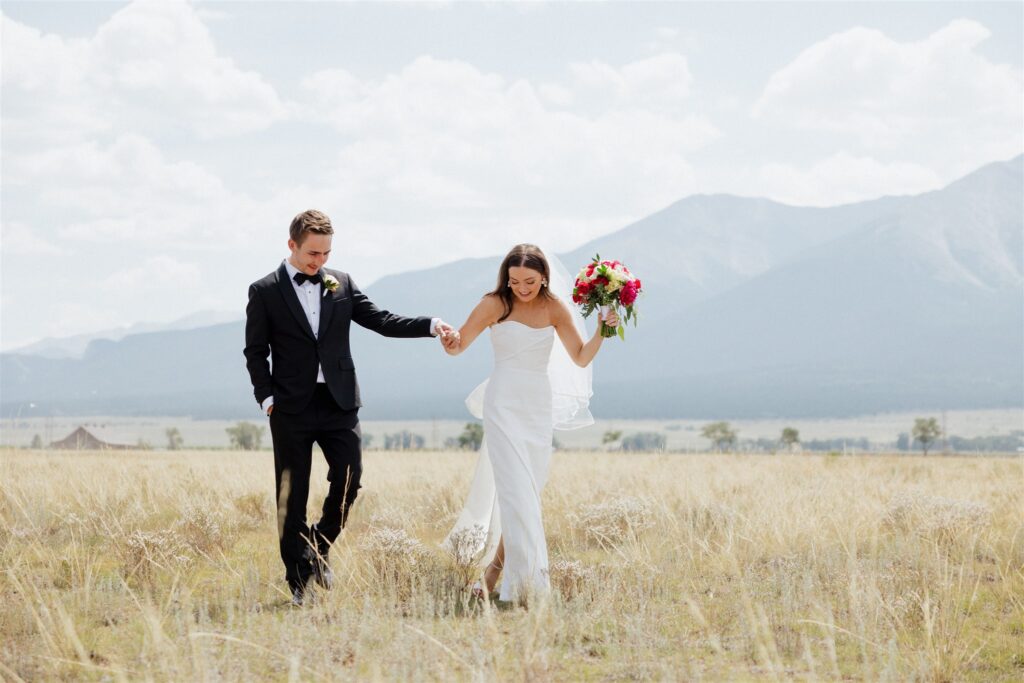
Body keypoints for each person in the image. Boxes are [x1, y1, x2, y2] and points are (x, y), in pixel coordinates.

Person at [244, 209, 455, 605]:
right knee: (291, 495)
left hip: (339, 402)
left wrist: (432, 325)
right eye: (311, 253)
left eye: (325, 253)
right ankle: (299, 583)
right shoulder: (265, 290)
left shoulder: (340, 283)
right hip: (290, 408)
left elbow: (381, 320)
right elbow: (255, 351)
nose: (319, 261)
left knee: (349, 478)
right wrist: (267, 398)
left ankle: (319, 544)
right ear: (291, 245)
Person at [439, 243, 618, 603]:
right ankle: (522, 587)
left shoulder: (555, 307)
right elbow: (458, 346)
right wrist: (448, 340)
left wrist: (603, 330)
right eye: (515, 280)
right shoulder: (493, 303)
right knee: (515, 495)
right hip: (503, 404)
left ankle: (490, 580)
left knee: (528, 497)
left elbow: (581, 358)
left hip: (537, 407)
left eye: (530, 281)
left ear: (544, 278)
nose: (522, 288)